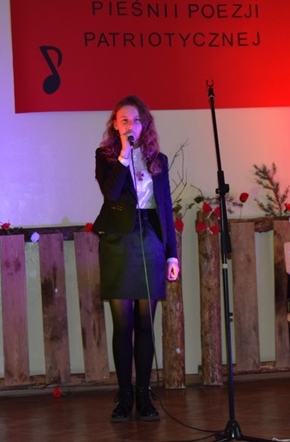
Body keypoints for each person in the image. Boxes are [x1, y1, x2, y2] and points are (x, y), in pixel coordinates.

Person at [92, 95, 181, 423]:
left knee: (145, 323)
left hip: (150, 240)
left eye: (136, 120)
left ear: (145, 124)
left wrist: (172, 254)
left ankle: (144, 395)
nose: (131, 125)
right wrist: (124, 155)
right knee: (123, 324)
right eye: (124, 120)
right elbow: (111, 193)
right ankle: (124, 395)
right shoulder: (106, 157)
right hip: (118, 242)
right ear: (115, 125)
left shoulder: (158, 160)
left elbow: (165, 208)